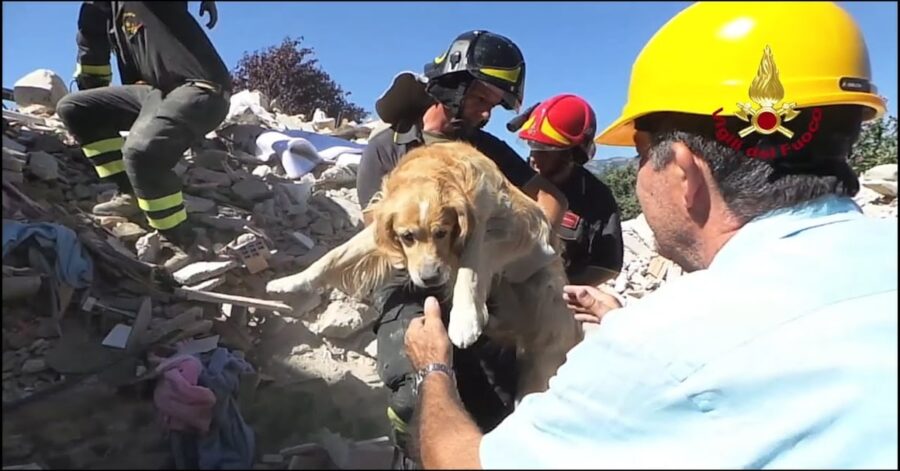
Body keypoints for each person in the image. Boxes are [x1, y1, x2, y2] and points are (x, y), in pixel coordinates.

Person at [404, 2, 898, 468]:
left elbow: (466, 462)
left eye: (640, 155)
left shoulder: (659, 351)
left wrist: (433, 368)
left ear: (684, 173)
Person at [355, 30, 568, 469]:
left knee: (493, 410)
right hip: (409, 286)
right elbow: (379, 234)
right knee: (417, 390)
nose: (486, 114)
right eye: (481, 100)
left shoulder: (487, 152)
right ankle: (411, 450)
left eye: (493, 106)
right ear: (452, 84)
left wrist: (513, 251)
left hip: (483, 290)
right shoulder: (386, 149)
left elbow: (549, 202)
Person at [55, 1, 230, 270]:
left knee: (140, 153)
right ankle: (130, 191)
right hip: (153, 93)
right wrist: (95, 93)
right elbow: (91, 55)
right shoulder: (102, 14)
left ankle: (184, 240)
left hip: (200, 87)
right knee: (73, 107)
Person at [510, 93, 624, 286]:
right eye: (532, 146)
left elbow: (608, 266)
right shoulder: (512, 181)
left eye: (546, 150)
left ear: (572, 154)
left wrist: (558, 286)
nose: (535, 156)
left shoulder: (597, 198)